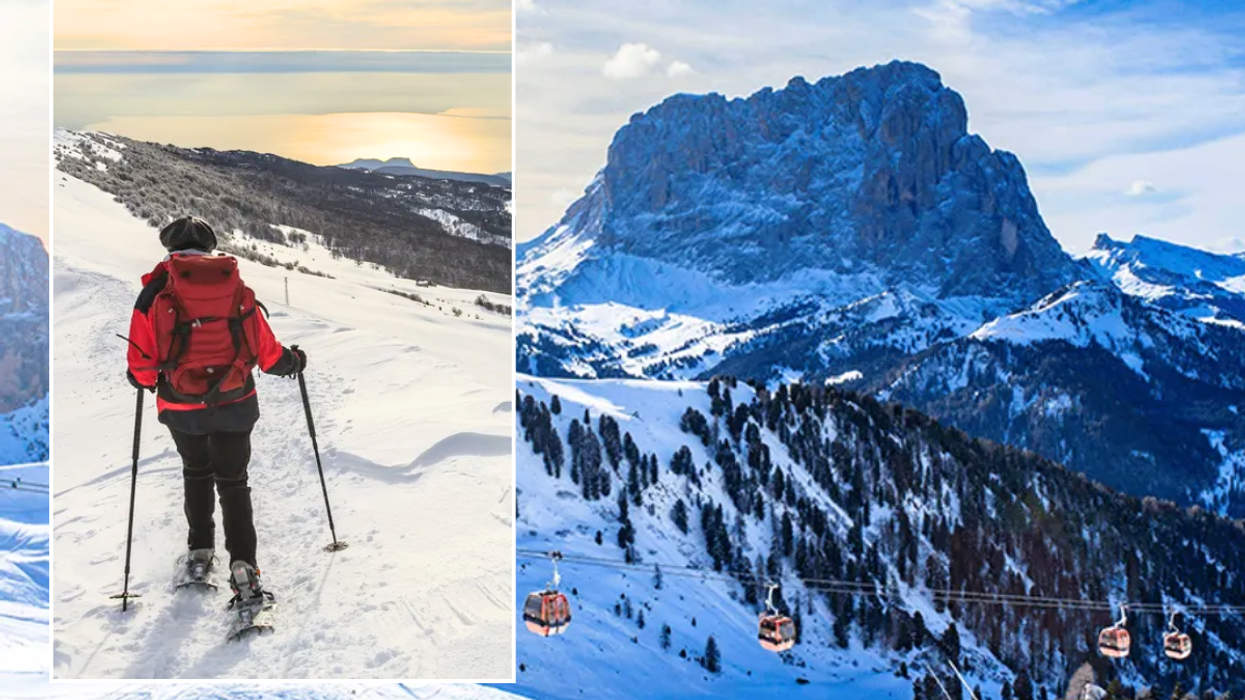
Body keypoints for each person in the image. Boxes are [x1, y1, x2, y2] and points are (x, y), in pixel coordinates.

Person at [125, 215, 306, 606]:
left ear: (169, 249)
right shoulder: (236, 289)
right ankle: (244, 570)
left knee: (196, 470)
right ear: (210, 248)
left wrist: (140, 376)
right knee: (234, 481)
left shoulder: (155, 293)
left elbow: (141, 365)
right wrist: (294, 362)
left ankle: (200, 553)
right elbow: (268, 353)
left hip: (181, 405)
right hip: (235, 402)